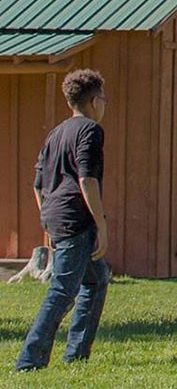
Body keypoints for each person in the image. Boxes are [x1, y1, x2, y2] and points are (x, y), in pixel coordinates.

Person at [15, 69, 110, 371]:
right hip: (76, 220)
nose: (104, 105)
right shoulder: (90, 131)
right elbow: (87, 179)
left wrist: (48, 216)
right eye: (103, 99)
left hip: (55, 217)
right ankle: (29, 361)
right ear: (94, 101)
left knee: (96, 280)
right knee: (63, 291)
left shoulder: (56, 132)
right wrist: (101, 224)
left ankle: (77, 354)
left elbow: (37, 183)